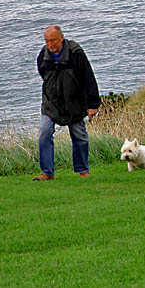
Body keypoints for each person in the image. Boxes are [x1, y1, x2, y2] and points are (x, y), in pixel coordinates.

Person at [34, 25, 100, 180]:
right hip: (51, 103)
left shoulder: (75, 53)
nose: (50, 44)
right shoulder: (43, 56)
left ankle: (83, 170)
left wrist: (93, 105)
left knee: (79, 136)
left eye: (53, 41)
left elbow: (88, 78)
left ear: (61, 38)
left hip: (74, 103)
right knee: (44, 132)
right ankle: (47, 173)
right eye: (47, 41)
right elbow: (43, 75)